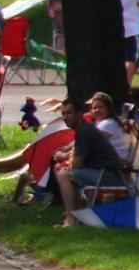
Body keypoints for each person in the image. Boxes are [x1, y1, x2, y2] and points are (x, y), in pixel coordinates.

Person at [55, 96, 128, 226]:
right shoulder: (84, 128)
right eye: (63, 114)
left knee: (64, 176)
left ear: (79, 113)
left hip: (110, 176)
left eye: (69, 113)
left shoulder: (84, 131)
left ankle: (70, 220)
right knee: (65, 172)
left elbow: (76, 164)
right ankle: (78, 214)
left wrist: (67, 160)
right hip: (104, 172)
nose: (66, 117)